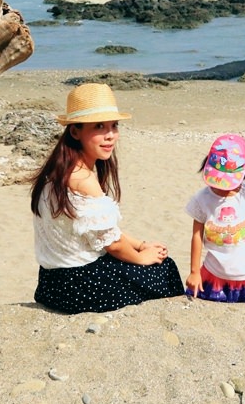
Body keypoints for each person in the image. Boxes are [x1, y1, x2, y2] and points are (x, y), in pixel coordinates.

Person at [30, 83, 183, 314]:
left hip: (50, 282)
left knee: (153, 260)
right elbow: (112, 244)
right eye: (99, 126)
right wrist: (142, 258)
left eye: (114, 126)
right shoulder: (81, 178)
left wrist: (142, 245)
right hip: (78, 285)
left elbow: (104, 230)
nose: (110, 135)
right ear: (75, 131)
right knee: (164, 268)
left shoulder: (58, 170)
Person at [184, 134, 245, 303]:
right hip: (215, 273)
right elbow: (197, 236)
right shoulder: (202, 199)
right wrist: (194, 271)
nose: (222, 186)